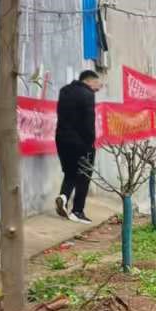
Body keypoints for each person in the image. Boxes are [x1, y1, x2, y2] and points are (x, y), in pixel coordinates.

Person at [55, 69, 102, 222]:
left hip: (61, 139)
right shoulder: (87, 94)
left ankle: (63, 197)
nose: (97, 88)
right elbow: (89, 121)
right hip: (81, 142)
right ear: (88, 81)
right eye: (96, 84)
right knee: (84, 176)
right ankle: (77, 211)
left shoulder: (64, 91)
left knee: (70, 172)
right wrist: (91, 142)